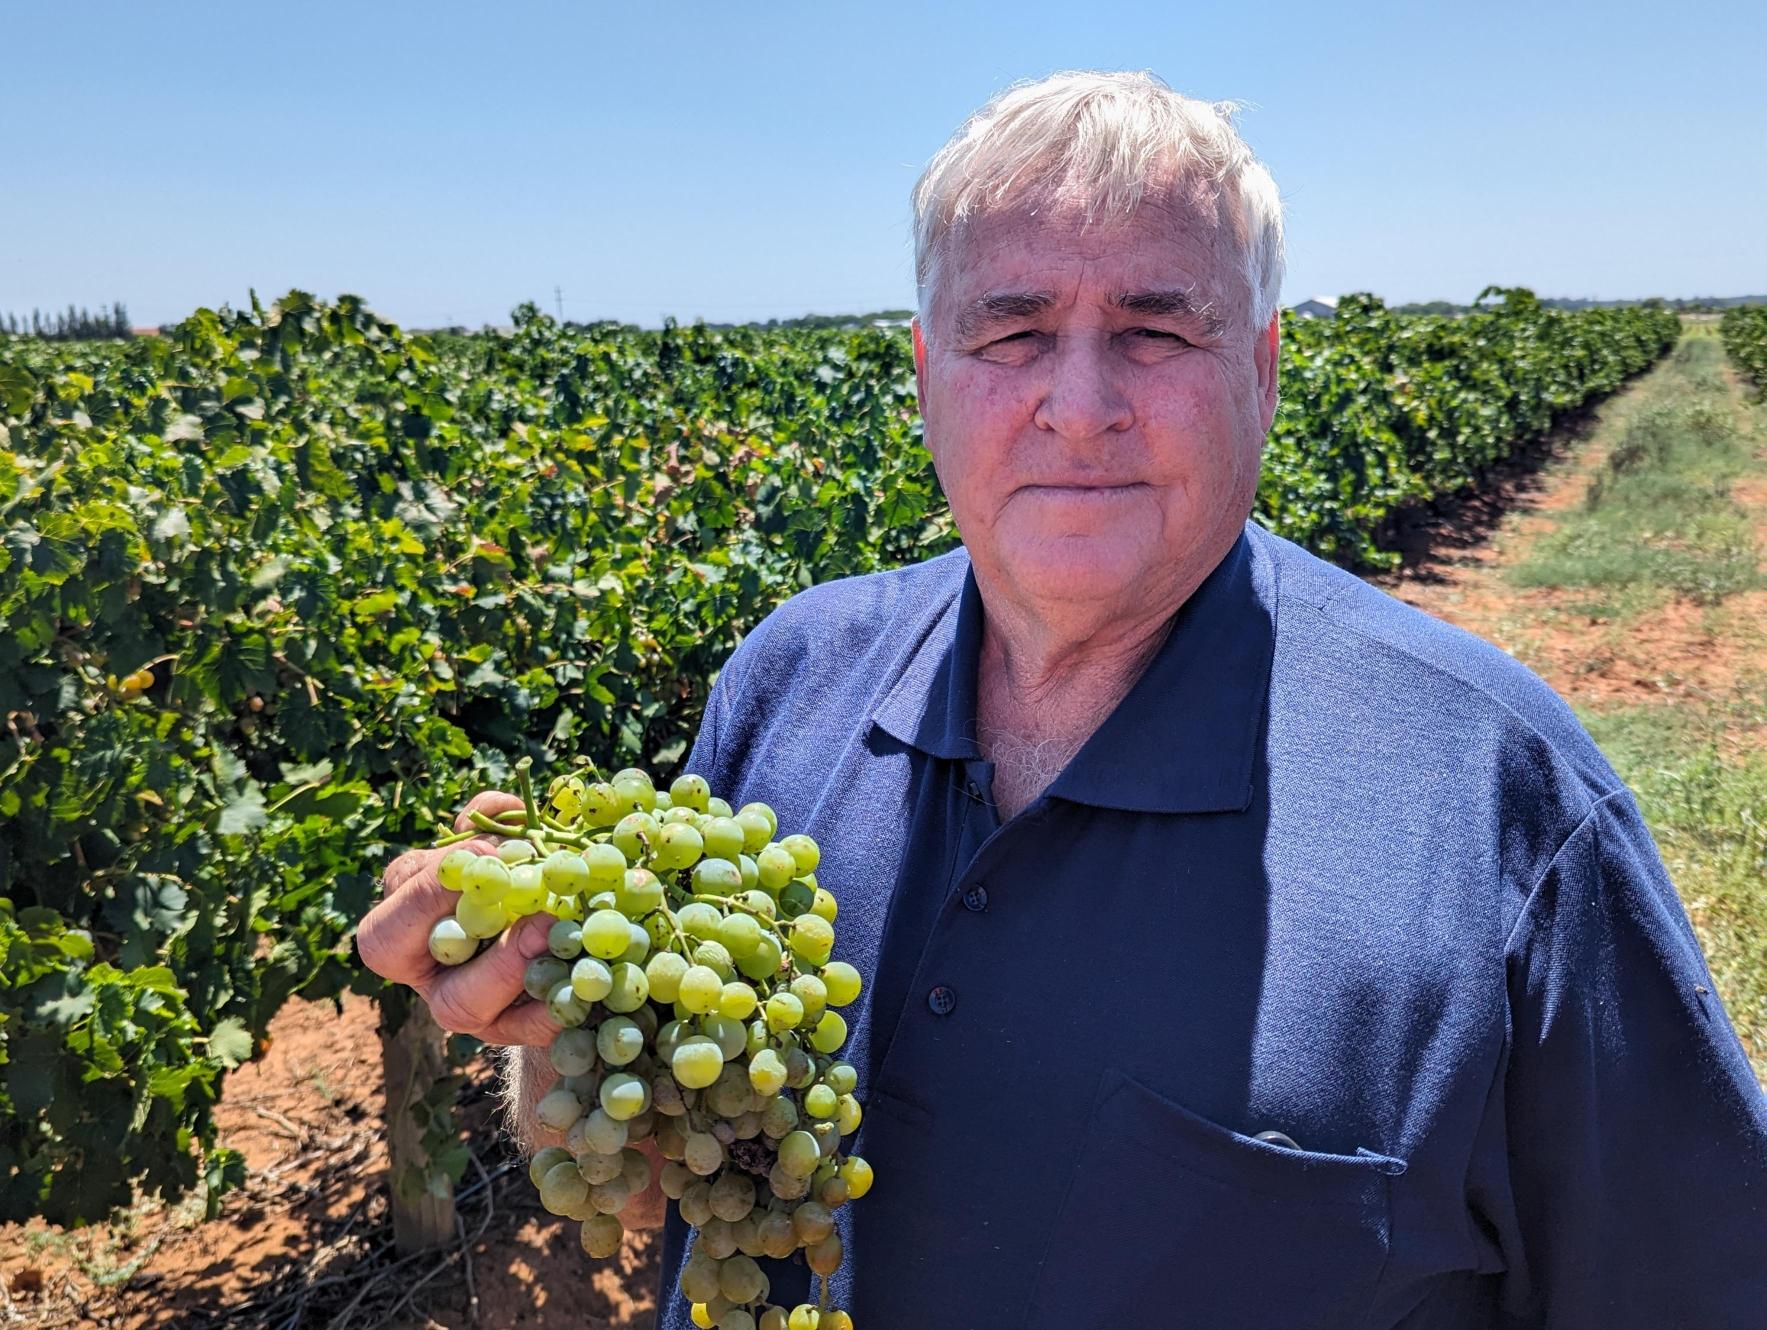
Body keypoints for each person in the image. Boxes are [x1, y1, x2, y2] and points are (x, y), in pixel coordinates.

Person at [360, 70, 1766, 1327]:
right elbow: (670, 1153)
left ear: (1264, 373)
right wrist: (543, 1024)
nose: (1080, 403)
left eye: (1156, 330)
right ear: (927, 379)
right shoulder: (790, 676)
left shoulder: (1504, 807)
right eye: (1012, 330)